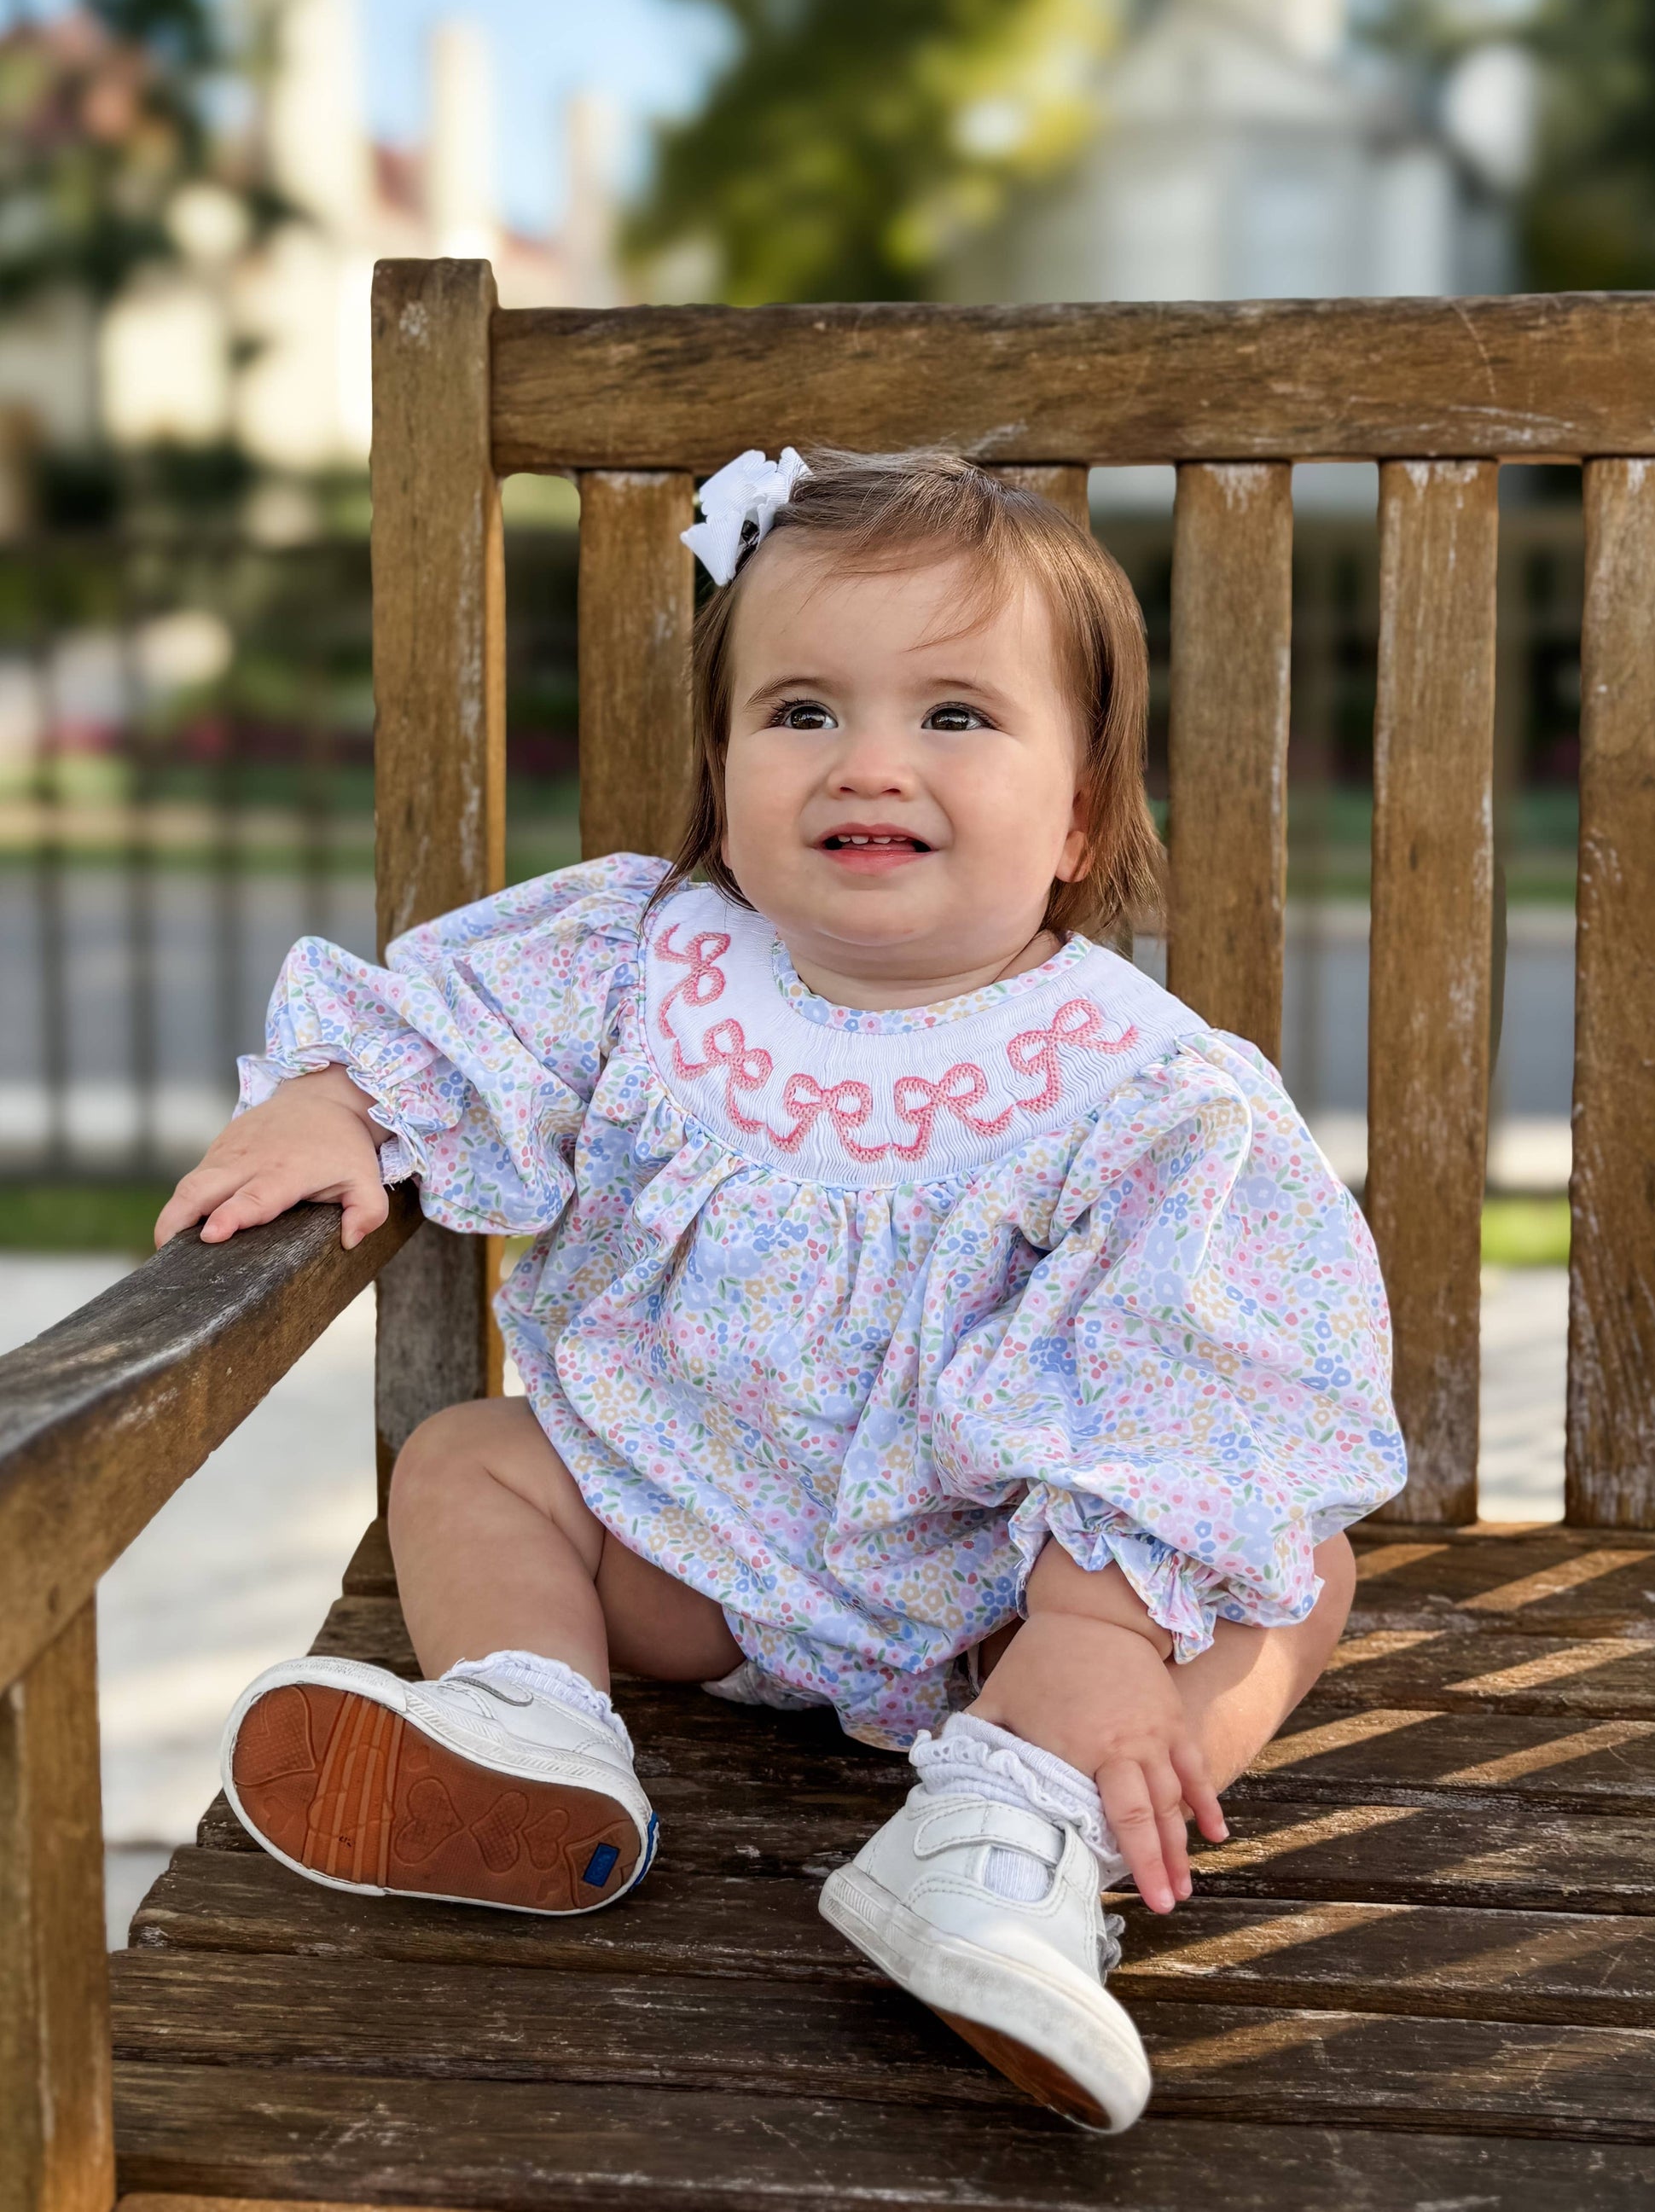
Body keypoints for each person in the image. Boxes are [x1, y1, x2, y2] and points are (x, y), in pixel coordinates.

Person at [156, 448, 1406, 2134]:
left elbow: (1196, 1375)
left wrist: (1098, 1631)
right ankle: (533, 1724)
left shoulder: (1146, 1091)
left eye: (954, 715)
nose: (866, 759)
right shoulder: (644, 958)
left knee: (1291, 1582)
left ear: (1079, 816)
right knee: (470, 1458)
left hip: (1004, 1607)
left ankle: (1004, 1840)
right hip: (678, 1554)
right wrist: (340, 1100)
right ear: (726, 773)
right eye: (801, 711)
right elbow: (452, 1030)